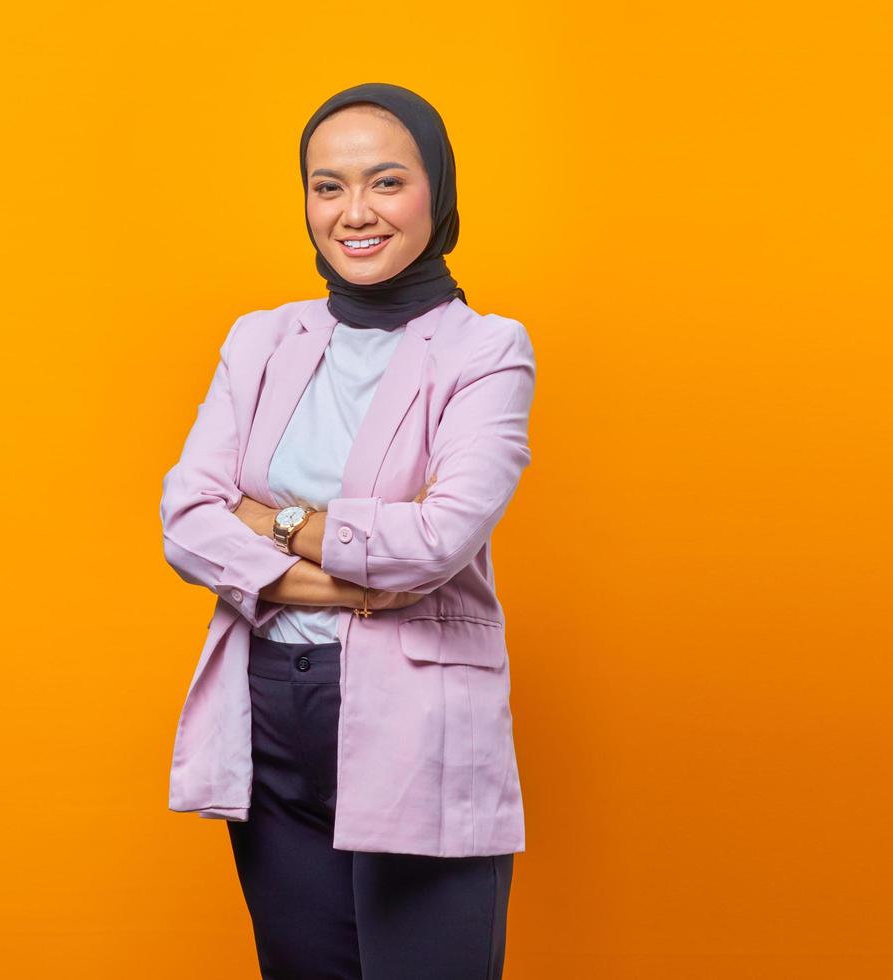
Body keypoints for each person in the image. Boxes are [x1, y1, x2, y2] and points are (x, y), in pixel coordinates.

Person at [159, 82, 536, 980]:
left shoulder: (488, 351)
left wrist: (274, 522)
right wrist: (344, 575)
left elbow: (436, 541)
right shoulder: (260, 340)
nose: (355, 212)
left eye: (385, 182)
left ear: (435, 195)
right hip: (269, 707)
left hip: (416, 715)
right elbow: (185, 517)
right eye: (327, 187)